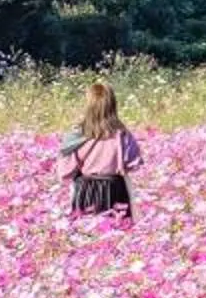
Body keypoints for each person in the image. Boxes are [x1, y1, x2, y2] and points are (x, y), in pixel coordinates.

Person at [59, 80, 143, 220]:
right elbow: (132, 164)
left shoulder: (76, 135)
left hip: (86, 191)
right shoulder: (122, 135)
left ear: (88, 106)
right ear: (112, 105)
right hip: (115, 189)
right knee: (117, 234)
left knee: (87, 234)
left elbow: (65, 172)